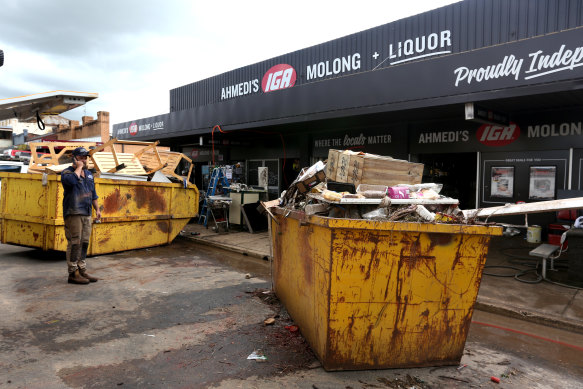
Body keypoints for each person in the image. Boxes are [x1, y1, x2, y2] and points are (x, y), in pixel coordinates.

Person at [61, 147, 101, 284]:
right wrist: (78, 167)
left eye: (85, 158)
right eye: (81, 157)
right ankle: (73, 273)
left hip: (86, 212)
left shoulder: (89, 174)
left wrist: (97, 209)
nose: (84, 160)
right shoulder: (67, 172)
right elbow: (72, 182)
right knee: (75, 243)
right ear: (74, 158)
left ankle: (82, 270)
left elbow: (93, 193)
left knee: (84, 242)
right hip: (73, 212)